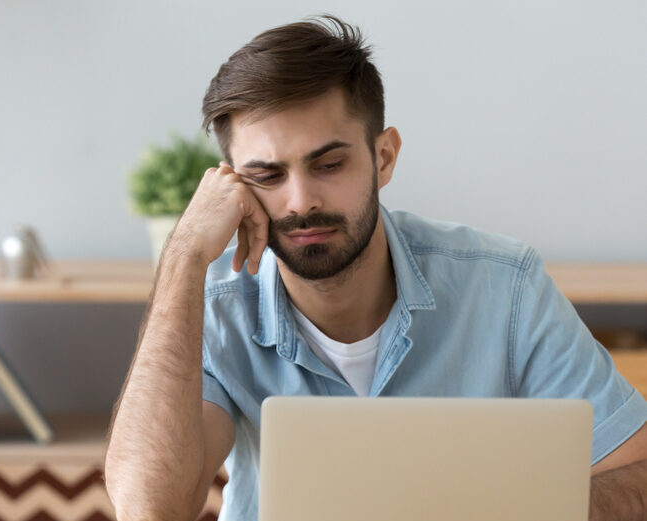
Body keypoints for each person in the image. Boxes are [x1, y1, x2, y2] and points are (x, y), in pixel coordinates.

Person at [104, 15, 647, 521]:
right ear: (232, 184)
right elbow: (149, 509)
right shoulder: (217, 306)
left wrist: (509, 510)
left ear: (383, 157)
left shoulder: (506, 288)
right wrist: (185, 257)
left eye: (329, 164)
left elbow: (634, 475)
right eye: (267, 176)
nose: (300, 202)